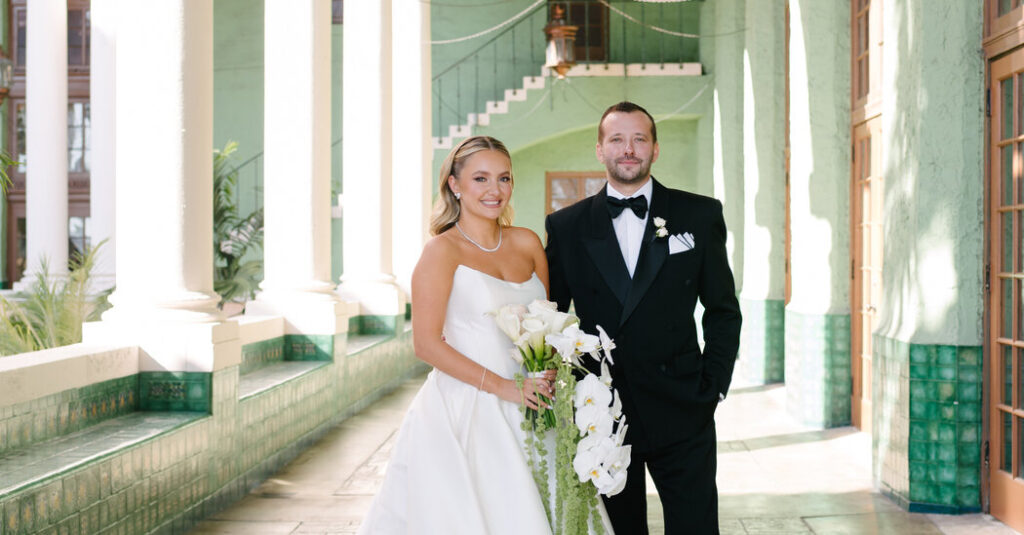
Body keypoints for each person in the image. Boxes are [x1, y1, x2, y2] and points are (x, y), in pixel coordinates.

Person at [358, 136, 612, 534]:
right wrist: (504, 388)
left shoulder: (527, 242)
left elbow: (545, 324)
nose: (495, 189)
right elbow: (425, 343)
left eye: (503, 178)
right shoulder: (441, 252)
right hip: (470, 407)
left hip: (536, 403)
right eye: (481, 178)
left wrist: (548, 373)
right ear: (454, 184)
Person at [545, 102, 742, 534]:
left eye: (639, 139)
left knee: (695, 527)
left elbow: (723, 310)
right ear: (600, 150)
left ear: (655, 148)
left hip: (683, 404)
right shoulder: (567, 227)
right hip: (604, 412)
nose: (629, 149)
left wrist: (713, 385)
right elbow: (551, 317)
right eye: (617, 139)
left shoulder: (699, 214)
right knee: (620, 530)